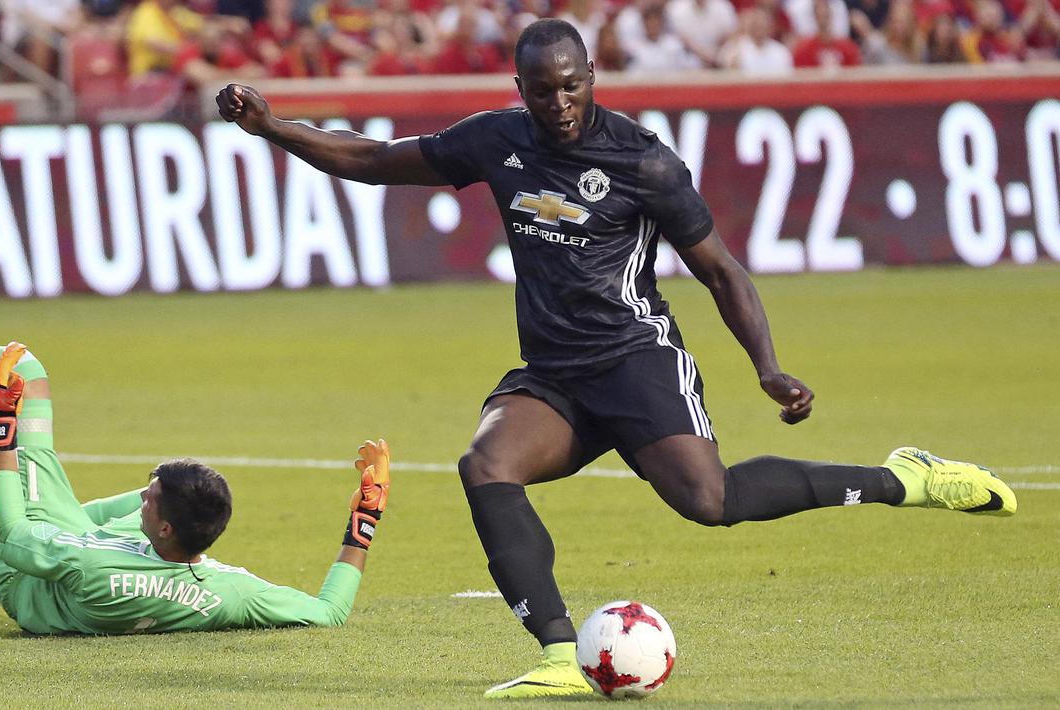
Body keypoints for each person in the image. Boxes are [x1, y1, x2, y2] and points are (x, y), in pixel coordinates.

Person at [213, 18, 1016, 698]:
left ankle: (902, 478)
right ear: (520, 88)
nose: (559, 104)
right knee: (486, 464)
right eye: (542, 91)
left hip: (635, 359)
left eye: (571, 86)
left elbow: (720, 270)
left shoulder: (644, 162)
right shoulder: (495, 140)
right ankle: (559, 656)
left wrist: (766, 367)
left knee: (710, 501)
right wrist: (273, 128)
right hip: (553, 376)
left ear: (592, 75)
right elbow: (370, 160)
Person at [0, 307, 391, 636]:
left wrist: (3, 425)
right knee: (108, 508)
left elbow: (13, 537)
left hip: (26, 572)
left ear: (164, 527)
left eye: (151, 495)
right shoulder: (229, 591)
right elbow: (328, 612)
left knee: (23, 370)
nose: (144, 493)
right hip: (96, 547)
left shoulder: (92, 566)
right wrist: (364, 520)